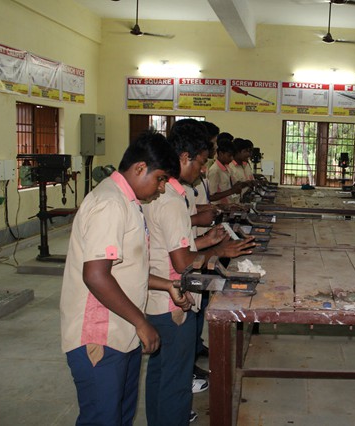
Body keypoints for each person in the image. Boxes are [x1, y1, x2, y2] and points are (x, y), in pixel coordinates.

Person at [60, 131, 181, 425]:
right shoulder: (110, 203)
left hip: (122, 332)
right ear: (140, 168)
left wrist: (166, 284)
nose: (162, 188)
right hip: (101, 335)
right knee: (103, 419)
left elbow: (127, 271)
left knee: (120, 417)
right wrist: (142, 322)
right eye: (160, 179)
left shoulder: (128, 202)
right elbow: (96, 276)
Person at [143, 120, 255, 426]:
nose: (203, 170)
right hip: (174, 301)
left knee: (160, 372)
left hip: (156, 299)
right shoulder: (171, 200)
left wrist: (206, 241)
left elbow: (173, 245)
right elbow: (182, 262)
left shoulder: (164, 193)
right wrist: (219, 252)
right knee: (177, 378)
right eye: (201, 162)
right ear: (184, 157)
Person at [207, 138, 248, 205]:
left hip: (230, 205)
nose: (231, 159)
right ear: (220, 154)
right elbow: (211, 197)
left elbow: (234, 184)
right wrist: (231, 191)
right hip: (219, 208)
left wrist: (242, 184)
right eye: (229, 156)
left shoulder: (228, 167)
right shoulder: (215, 170)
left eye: (232, 156)